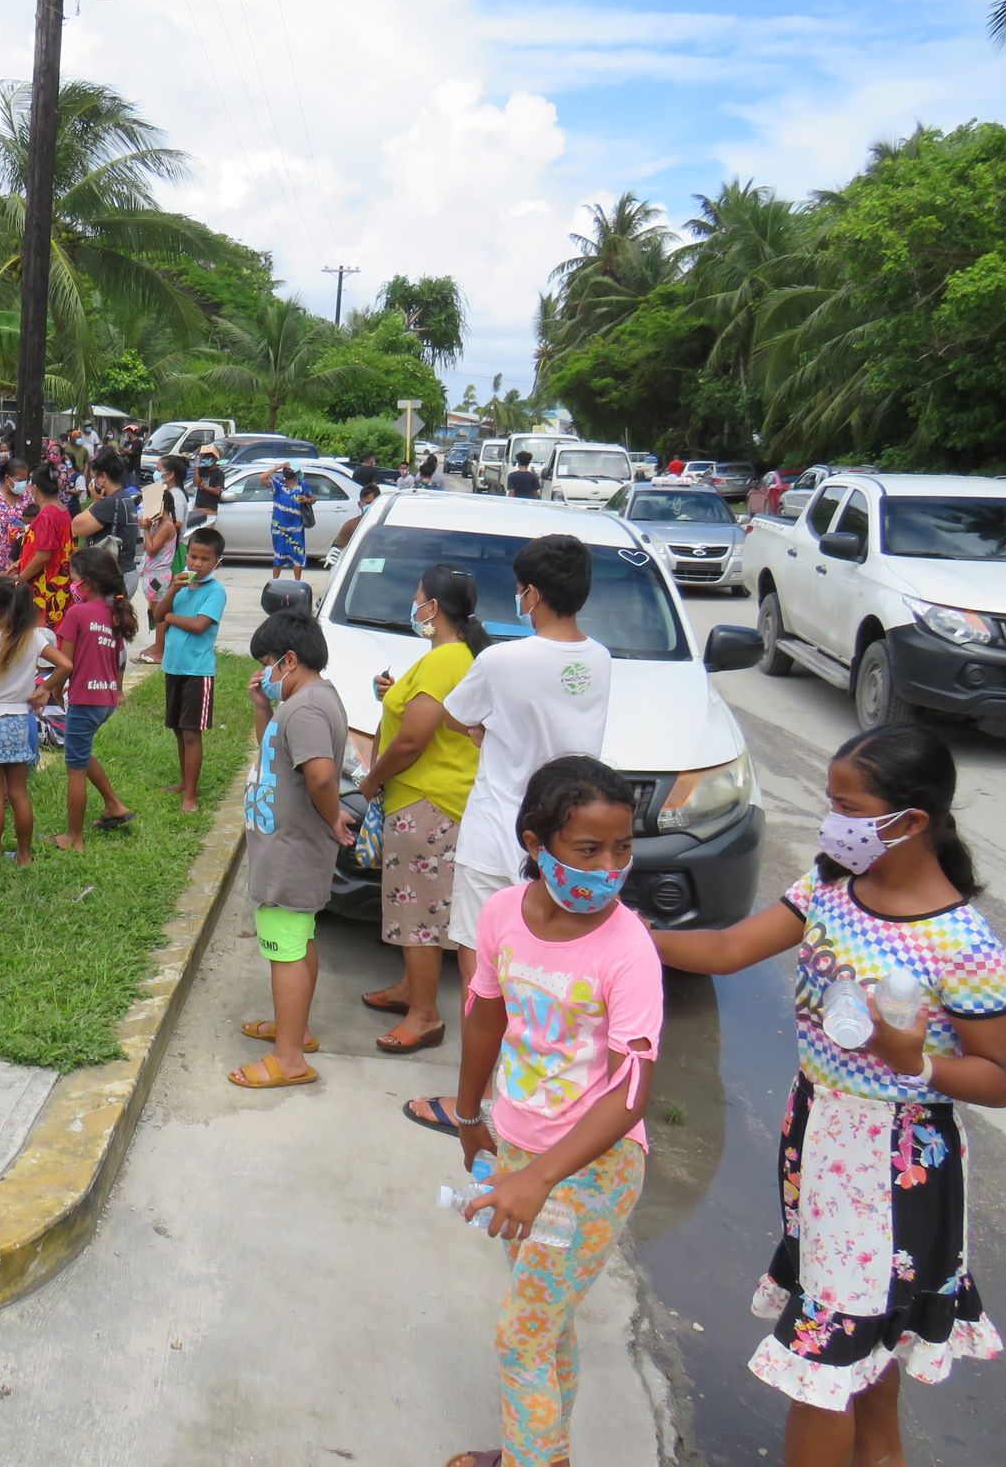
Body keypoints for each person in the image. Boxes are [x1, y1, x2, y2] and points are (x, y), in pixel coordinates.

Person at [652, 723, 1006, 1467]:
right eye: (832, 803)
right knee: (865, 1361)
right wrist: (619, 932)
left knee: (823, 1366)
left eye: (848, 808)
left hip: (893, 1163)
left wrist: (914, 1062)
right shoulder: (829, 888)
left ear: (910, 821)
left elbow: (1000, 1080)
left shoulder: (965, 944)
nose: (832, 822)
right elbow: (728, 948)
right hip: (818, 1130)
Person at [442, 755, 665, 1467]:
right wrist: (470, 1112)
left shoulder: (628, 950)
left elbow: (631, 1091)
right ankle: (539, 1452)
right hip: (515, 1147)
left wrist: (540, 1179)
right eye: (588, 849)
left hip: (591, 1169)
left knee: (523, 1333)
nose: (609, 867)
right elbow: (485, 1015)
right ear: (537, 845)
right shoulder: (505, 913)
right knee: (548, 1321)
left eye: (623, 847)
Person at [408, 534, 611, 1135]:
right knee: (544, 982)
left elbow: (456, 715)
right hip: (563, 848)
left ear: (533, 594)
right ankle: (525, 1096)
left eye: (521, 589)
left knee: (483, 984)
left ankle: (473, 1107)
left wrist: (487, 733)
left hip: (498, 838)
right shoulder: (599, 659)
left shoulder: (502, 660)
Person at [356, 566, 490, 1055]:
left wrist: (371, 780)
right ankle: (412, 989)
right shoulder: (451, 658)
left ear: (433, 608)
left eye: (417, 599)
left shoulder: (445, 660)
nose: (413, 608)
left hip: (427, 800)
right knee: (413, 904)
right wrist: (393, 692)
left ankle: (425, 1015)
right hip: (428, 800)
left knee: (420, 912)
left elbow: (414, 737)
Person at [230, 610, 351, 1089]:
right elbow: (274, 751)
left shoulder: (307, 708)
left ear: (290, 659)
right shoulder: (302, 702)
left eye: (268, 664)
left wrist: (330, 815)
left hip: (292, 849)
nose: (266, 673)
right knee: (299, 941)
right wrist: (262, 705)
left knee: (285, 948)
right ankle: (293, 1029)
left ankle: (289, 1058)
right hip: (286, 845)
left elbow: (320, 775)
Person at [0, 579, 67, 870]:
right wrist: (44, 688)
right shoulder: (33, 637)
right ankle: (24, 855)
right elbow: (65, 665)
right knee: (19, 793)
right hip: (21, 722)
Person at [45, 546, 136, 848]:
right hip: (106, 699)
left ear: (89, 583)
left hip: (84, 700)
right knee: (80, 751)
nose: (71, 582)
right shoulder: (114, 613)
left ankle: (74, 837)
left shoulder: (76, 613)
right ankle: (114, 805)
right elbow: (117, 660)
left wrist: (51, 691)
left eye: (73, 577)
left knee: (74, 768)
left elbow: (63, 663)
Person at [153, 525, 227, 813]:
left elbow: (199, 625)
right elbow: (158, 616)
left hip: (198, 671)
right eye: (193, 556)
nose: (196, 564)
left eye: (204, 559)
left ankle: (191, 795)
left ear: (216, 562)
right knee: (177, 730)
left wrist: (171, 617)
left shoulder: (216, 591)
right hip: (174, 667)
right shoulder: (181, 584)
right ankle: (184, 782)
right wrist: (173, 588)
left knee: (191, 733)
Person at [135, 455, 189, 665]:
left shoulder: (166, 526)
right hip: (153, 574)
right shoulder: (161, 524)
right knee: (155, 608)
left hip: (160, 575)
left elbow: (151, 548)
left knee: (159, 612)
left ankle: (160, 648)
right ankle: (158, 645)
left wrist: (147, 530)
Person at [72, 452, 140, 596]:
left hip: (113, 576)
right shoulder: (124, 496)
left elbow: (77, 527)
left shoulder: (109, 502)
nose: (92, 482)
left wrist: (96, 502)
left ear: (103, 477)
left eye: (94, 478)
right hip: (127, 571)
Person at [15, 464, 75, 622]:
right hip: (60, 584)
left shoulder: (46, 516)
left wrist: (19, 579)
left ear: (35, 488)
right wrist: (21, 561)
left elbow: (43, 557)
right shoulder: (62, 510)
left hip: (46, 589)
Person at [262, 461, 314, 581]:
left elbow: (313, 498)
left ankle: (297, 582)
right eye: (286, 470)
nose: (287, 472)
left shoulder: (302, 486)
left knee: (297, 554)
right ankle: (275, 581)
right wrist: (279, 466)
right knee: (278, 555)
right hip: (279, 527)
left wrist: (307, 499)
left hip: (296, 527)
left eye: (290, 470)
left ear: (296, 473)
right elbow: (262, 477)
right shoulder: (278, 484)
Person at [186, 445, 225, 537]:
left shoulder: (219, 473)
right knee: (195, 535)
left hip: (209, 509)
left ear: (215, 459)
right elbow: (196, 483)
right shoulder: (202, 470)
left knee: (206, 536)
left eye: (209, 457)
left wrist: (205, 488)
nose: (207, 459)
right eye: (205, 457)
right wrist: (197, 467)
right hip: (197, 507)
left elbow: (217, 491)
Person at [332, 481, 378, 557]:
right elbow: (337, 552)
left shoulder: (386, 525)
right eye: (367, 503)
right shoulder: (351, 525)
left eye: (372, 503)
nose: (370, 506)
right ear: (360, 504)